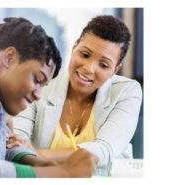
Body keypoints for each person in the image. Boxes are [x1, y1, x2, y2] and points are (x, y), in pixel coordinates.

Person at [0, 17, 98, 178]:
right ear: (10, 57)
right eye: (37, 79)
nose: (38, 95)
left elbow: (4, 147)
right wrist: (61, 173)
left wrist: (40, 163)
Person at [12, 15, 143, 176]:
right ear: (74, 47)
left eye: (103, 65)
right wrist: (23, 151)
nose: (89, 68)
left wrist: (37, 154)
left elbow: (103, 150)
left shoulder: (127, 91)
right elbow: (15, 141)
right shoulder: (42, 82)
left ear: (115, 70)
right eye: (85, 54)